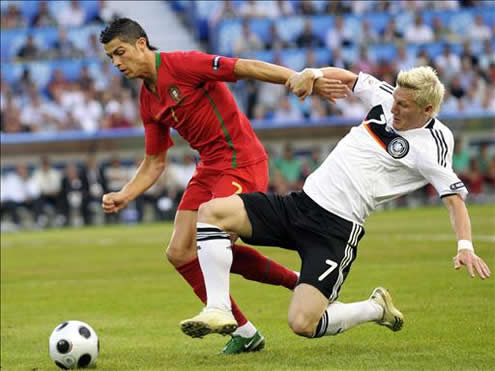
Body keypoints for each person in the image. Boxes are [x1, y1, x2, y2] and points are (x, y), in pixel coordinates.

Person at [180, 66, 492, 341]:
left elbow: (454, 200)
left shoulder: (433, 146)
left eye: (403, 105)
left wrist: (465, 245)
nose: (393, 107)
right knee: (211, 213)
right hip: (300, 204)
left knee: (302, 323)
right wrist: (313, 73)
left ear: (426, 109)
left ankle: (374, 308)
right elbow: (350, 78)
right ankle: (218, 309)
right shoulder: (387, 98)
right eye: (394, 99)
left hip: (335, 231)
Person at [98, 18, 348, 354]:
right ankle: (245, 331)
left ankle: (277, 289)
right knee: (179, 253)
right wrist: (124, 194)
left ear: (141, 43)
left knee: (212, 241)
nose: (116, 63)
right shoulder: (148, 99)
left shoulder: (183, 64)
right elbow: (155, 161)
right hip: (209, 168)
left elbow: (243, 67)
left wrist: (293, 78)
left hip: (241, 160)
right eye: (111, 58)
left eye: (120, 52)